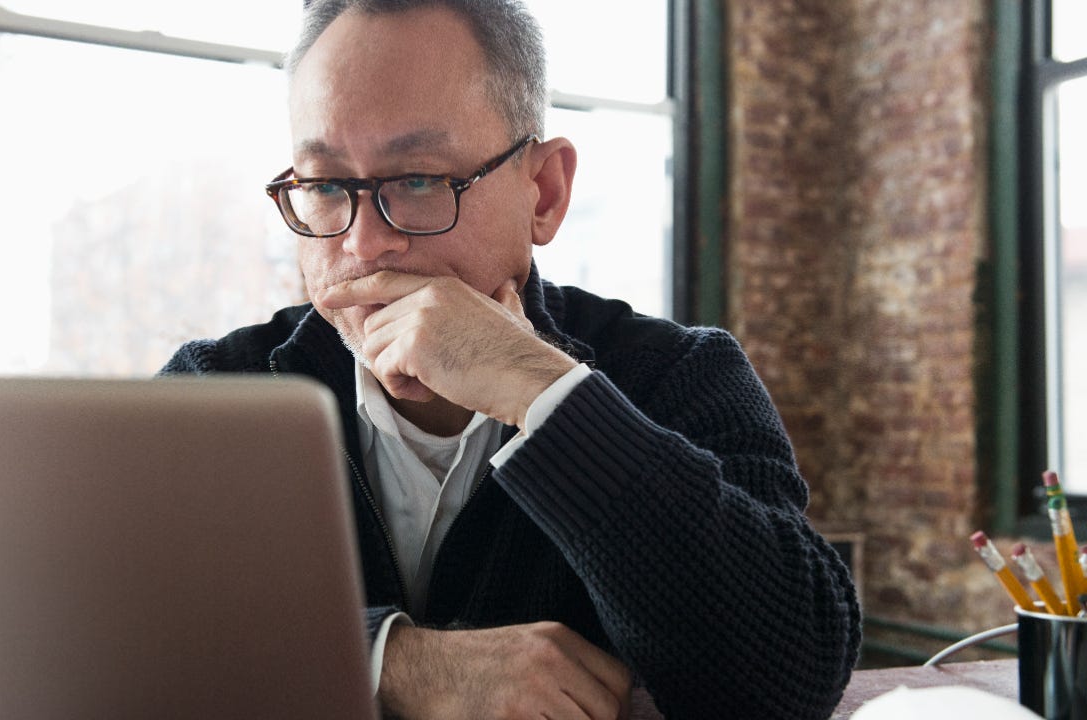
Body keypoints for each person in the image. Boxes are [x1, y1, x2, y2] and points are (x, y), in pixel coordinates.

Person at [161, 1, 861, 718]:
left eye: (421, 180)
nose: (365, 245)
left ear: (545, 192)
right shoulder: (218, 389)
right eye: (326, 186)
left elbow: (791, 679)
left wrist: (547, 395)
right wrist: (395, 661)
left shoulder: (681, 378)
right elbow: (118, 630)